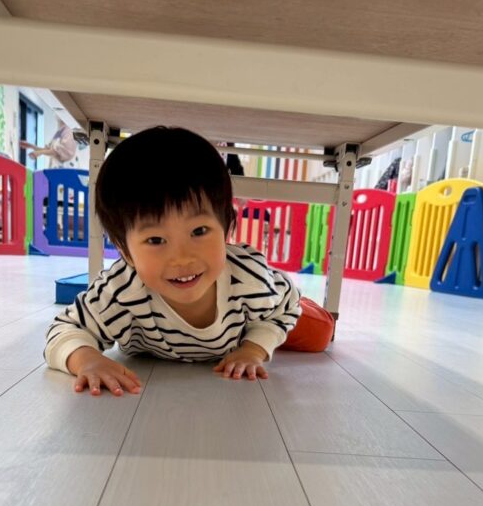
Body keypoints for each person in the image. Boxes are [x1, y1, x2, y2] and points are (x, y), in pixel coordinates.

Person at [44, 126, 335, 397]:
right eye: (156, 240)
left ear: (226, 228)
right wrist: (87, 360)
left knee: (320, 333)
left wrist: (254, 349)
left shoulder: (249, 279)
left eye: (199, 231)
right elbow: (64, 329)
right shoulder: (120, 290)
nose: (182, 257)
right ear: (125, 251)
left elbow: (285, 309)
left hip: (257, 311)